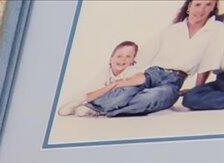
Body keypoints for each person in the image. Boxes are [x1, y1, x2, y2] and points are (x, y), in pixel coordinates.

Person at [88, 0, 224, 116]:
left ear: (213, 7)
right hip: (153, 73)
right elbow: (146, 54)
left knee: (153, 97)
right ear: (189, 6)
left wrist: (197, 90)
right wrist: (127, 74)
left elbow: (208, 62)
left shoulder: (216, 29)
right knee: (124, 93)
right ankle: (95, 105)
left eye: (208, 4)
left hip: (174, 82)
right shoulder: (173, 29)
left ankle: (106, 110)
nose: (202, 10)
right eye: (198, 4)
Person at [62, 39, 151, 115]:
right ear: (111, 58)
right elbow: (91, 94)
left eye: (128, 56)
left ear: (132, 60)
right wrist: (112, 86)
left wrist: (117, 83)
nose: (123, 59)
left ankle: (95, 109)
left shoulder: (131, 70)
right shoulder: (104, 72)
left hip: (118, 98)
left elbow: (141, 79)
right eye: (119, 56)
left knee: (131, 91)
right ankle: (81, 105)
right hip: (97, 97)